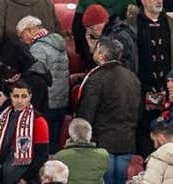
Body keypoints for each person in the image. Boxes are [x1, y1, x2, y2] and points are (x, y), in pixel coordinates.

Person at [77, 37, 142, 184]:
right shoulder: (132, 77)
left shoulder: (97, 79)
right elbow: (138, 111)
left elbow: (87, 112)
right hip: (127, 140)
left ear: (101, 55)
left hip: (103, 142)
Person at [54, 119, 110, 184]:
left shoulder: (60, 157)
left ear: (71, 135)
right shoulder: (103, 155)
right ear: (90, 134)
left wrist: (67, 147)